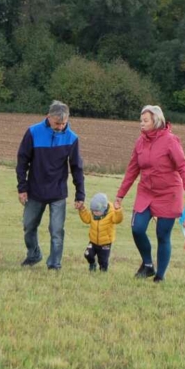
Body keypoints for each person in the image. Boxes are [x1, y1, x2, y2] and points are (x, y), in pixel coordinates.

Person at [114, 105, 185, 283]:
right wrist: (120, 195)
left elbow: (183, 166)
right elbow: (132, 171)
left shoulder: (170, 141)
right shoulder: (140, 142)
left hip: (168, 194)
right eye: (141, 120)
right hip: (146, 192)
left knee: (162, 235)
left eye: (145, 120)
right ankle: (148, 264)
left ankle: (160, 276)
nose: (141, 124)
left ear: (156, 121)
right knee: (137, 228)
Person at [17, 100, 85, 270]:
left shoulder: (72, 138)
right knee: (28, 226)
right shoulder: (33, 132)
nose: (61, 127)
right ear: (48, 117)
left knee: (56, 231)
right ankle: (33, 254)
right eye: (57, 123)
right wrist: (22, 188)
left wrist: (80, 194)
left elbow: (77, 168)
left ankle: (54, 264)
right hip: (35, 190)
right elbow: (22, 161)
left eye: (64, 123)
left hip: (58, 192)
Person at [78, 192, 123, 272]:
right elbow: (86, 219)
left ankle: (103, 272)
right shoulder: (93, 214)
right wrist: (82, 210)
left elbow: (118, 220)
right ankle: (92, 264)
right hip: (93, 241)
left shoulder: (111, 213)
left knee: (103, 260)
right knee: (88, 254)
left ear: (104, 208)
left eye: (97, 211)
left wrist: (118, 210)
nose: (95, 213)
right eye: (93, 211)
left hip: (105, 242)